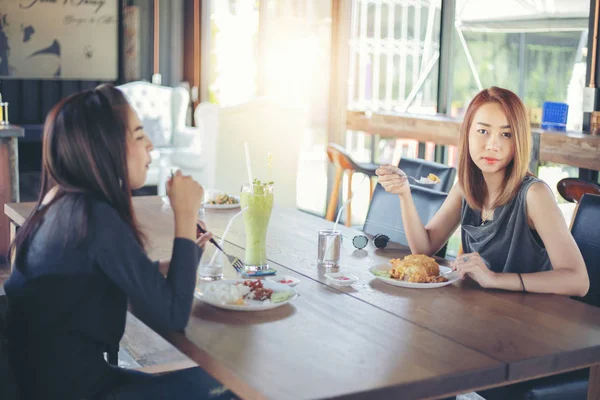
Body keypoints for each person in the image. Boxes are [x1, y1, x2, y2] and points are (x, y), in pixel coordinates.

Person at [3, 85, 236, 399]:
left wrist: (182, 257)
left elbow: (99, 278)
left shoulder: (58, 204)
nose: (150, 145)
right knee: (229, 388)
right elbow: (172, 315)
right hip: (85, 393)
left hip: (52, 385)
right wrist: (184, 213)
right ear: (105, 145)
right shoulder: (94, 218)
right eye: (139, 136)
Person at [376, 86, 589, 297]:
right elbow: (424, 249)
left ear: (519, 141)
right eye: (483, 131)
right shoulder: (466, 188)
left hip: (534, 319)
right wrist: (404, 194)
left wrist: (495, 279)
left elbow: (578, 281)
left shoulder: (534, 194)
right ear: (467, 133)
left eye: (506, 134)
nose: (492, 145)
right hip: (484, 311)